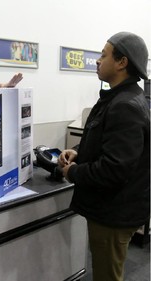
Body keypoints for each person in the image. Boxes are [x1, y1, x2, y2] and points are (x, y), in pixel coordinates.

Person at [58, 31, 150, 281]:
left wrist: (72, 172)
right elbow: (104, 143)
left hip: (115, 213)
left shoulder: (125, 106)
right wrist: (77, 152)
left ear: (122, 62)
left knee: (107, 275)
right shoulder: (117, 98)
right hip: (111, 209)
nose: (97, 60)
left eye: (103, 55)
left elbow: (114, 169)